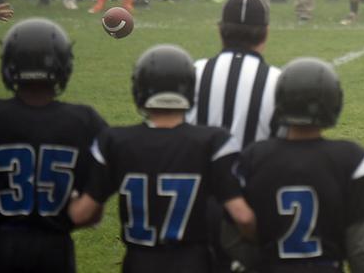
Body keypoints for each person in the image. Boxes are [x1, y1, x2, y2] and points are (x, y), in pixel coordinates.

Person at [69, 45, 256, 273]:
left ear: (140, 88)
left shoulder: (116, 141)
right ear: (189, 88)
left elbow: (81, 214)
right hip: (192, 262)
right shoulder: (213, 142)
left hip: (139, 262)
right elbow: (242, 216)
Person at [0, 19, 108, 272]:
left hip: (3, 248)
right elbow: (92, 213)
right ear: (63, 65)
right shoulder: (85, 121)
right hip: (56, 249)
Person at [237, 58, 364, 273]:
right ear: (334, 101)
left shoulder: (254, 156)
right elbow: (358, 248)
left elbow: (237, 233)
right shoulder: (353, 159)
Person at [188, 0, 281, 149]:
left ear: (220, 30)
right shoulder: (278, 81)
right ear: (266, 33)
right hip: (253, 172)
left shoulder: (194, 72)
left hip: (203, 172)